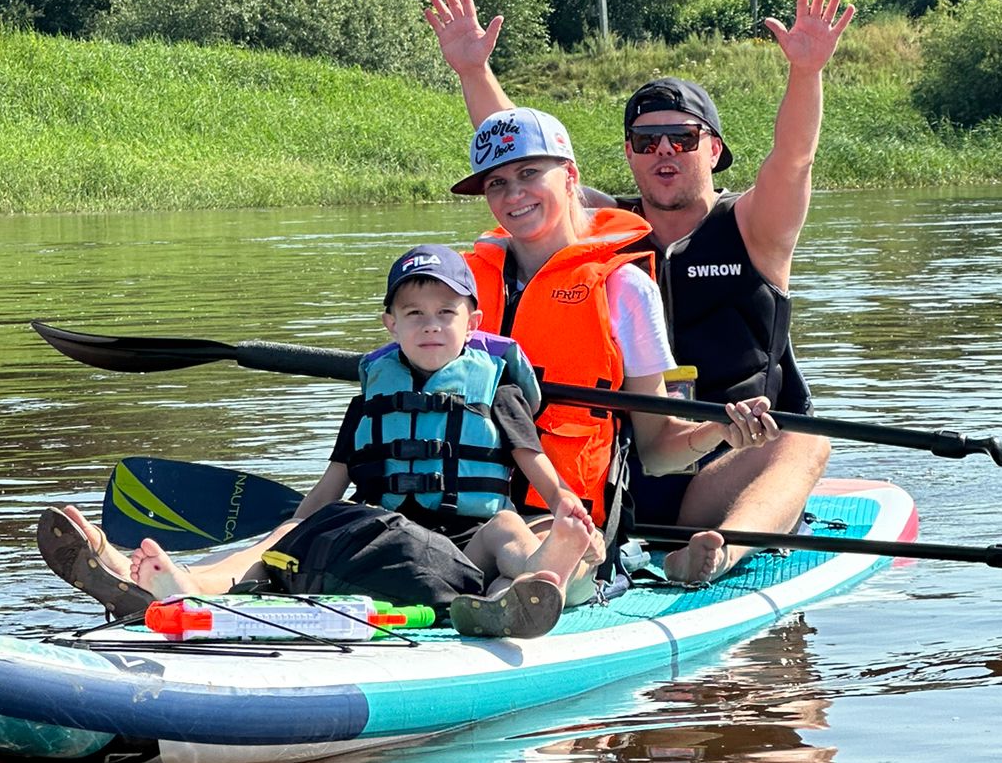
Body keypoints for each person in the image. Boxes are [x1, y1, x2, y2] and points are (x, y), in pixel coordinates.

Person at [424, 0, 854, 583]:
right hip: (624, 471)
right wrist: (473, 70)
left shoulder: (755, 228)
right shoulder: (600, 230)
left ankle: (717, 553)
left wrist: (806, 73)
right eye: (647, 140)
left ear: (714, 150)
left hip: (722, 468)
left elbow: (794, 159)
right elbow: (523, 170)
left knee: (805, 442)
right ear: (628, 153)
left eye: (682, 137)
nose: (664, 152)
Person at [37, 245, 609, 640]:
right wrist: (295, 531)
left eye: (445, 313)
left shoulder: (496, 392)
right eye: (414, 314)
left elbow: (533, 465)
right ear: (390, 325)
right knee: (285, 535)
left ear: (472, 320)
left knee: (510, 530)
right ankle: (185, 586)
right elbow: (332, 483)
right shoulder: (368, 401)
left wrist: (563, 505)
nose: (430, 325)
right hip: (383, 533)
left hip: (471, 537)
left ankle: (535, 582)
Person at [450, 104, 779, 584]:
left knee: (525, 574)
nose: (513, 194)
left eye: (528, 173)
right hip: (456, 511)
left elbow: (657, 451)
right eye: (496, 183)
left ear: (570, 178)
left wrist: (719, 431)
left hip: (564, 521)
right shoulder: (460, 284)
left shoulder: (624, 288)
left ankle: (513, 599)